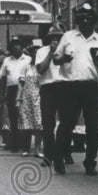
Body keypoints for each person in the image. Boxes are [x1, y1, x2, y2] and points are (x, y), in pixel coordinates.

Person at [50, 3, 98, 176]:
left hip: (92, 86)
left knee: (93, 126)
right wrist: (64, 57)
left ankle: (90, 162)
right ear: (77, 21)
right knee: (66, 125)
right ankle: (59, 158)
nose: (85, 23)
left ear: (93, 21)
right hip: (69, 86)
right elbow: (55, 59)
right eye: (82, 19)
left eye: (89, 19)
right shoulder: (68, 37)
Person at [34, 24, 64, 166]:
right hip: (48, 88)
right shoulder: (41, 51)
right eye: (53, 38)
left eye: (59, 37)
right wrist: (51, 52)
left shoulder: (67, 50)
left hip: (64, 87)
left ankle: (61, 153)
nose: (56, 40)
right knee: (48, 124)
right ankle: (48, 155)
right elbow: (40, 69)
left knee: (64, 123)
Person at [0, 38, 31, 151]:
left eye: (19, 45)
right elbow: (2, 78)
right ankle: (14, 143)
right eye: (14, 45)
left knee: (24, 116)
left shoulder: (29, 59)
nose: (16, 47)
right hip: (11, 90)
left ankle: (25, 144)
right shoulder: (7, 60)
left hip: (26, 89)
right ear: (11, 48)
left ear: (22, 47)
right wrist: (1, 95)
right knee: (13, 117)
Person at [16, 42, 44, 157]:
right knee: (25, 123)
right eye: (34, 51)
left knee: (39, 123)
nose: (36, 53)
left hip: (39, 97)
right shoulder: (26, 67)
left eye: (38, 51)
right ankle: (25, 148)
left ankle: (37, 149)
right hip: (26, 98)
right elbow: (21, 84)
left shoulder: (43, 67)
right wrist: (18, 99)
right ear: (31, 53)